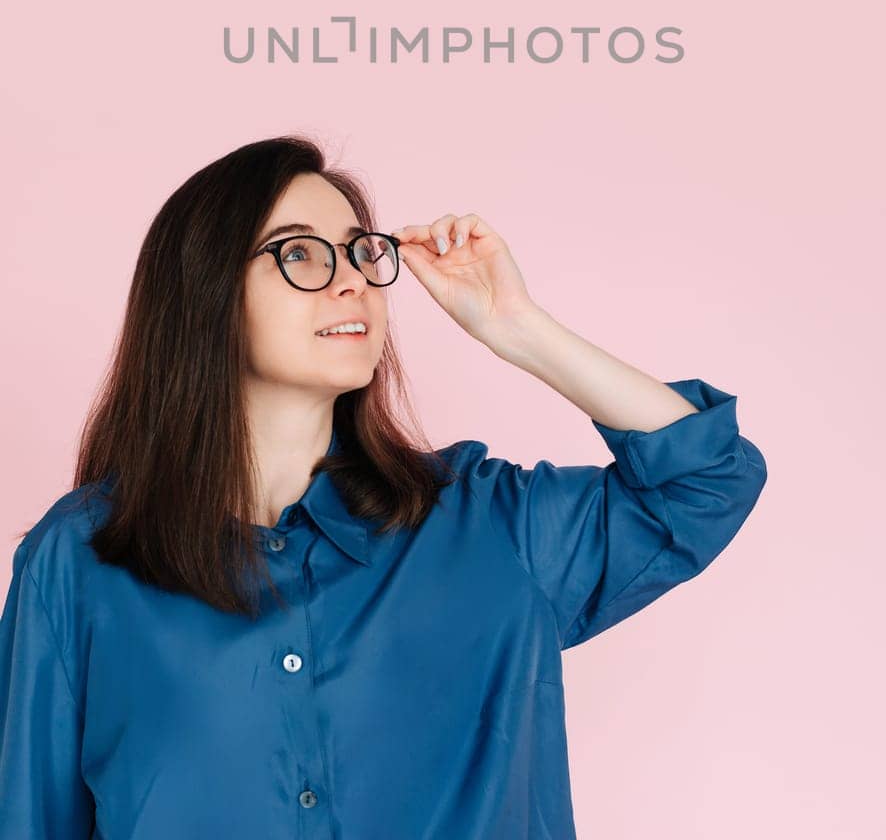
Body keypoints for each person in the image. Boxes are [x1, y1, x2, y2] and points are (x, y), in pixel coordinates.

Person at [0, 133, 767, 838]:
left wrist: (517, 326)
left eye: (360, 253)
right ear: (203, 294)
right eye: (300, 255)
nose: (353, 285)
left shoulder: (489, 526)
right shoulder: (78, 563)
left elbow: (706, 478)